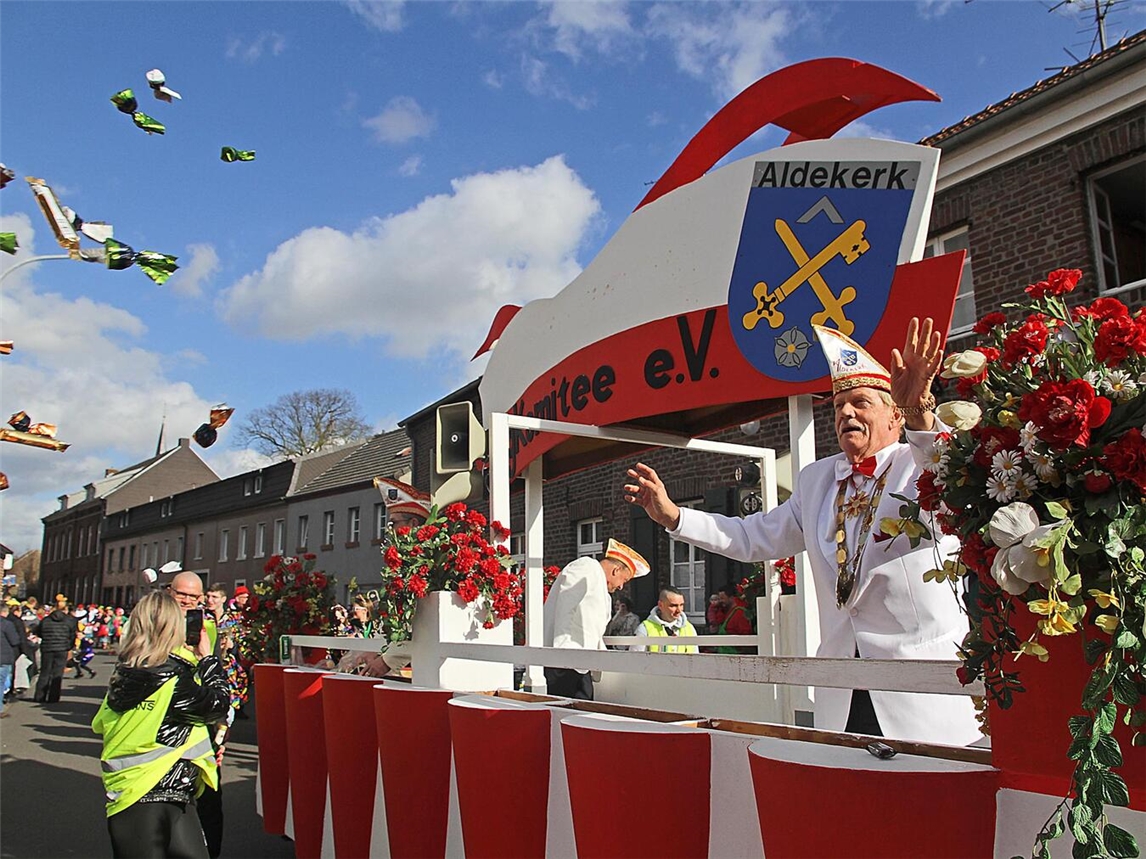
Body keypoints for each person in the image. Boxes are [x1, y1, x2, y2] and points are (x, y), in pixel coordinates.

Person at [625, 317, 980, 745]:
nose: (846, 412)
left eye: (861, 402)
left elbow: (955, 496)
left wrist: (920, 416)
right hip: (843, 693)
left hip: (924, 698)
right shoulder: (815, 481)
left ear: (894, 415)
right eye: (837, 405)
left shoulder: (916, 464)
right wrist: (675, 517)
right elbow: (751, 536)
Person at [92, 591, 230, 859]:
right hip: (159, 791)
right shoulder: (173, 679)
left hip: (138, 793)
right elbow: (219, 705)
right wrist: (208, 659)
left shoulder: (124, 672)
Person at [542, 539, 650, 699]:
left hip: (578, 663)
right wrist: (563, 649)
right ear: (616, 570)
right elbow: (566, 603)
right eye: (624, 580)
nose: (621, 587)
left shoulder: (600, 585)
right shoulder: (587, 567)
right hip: (565, 661)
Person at [34, 595, 79, 703]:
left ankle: (40, 696)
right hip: (62, 648)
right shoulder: (69, 621)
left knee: (45, 672)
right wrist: (69, 646)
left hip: (47, 648)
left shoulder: (45, 620)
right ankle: (53, 697)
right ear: (65, 609)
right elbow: (72, 635)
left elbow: (39, 633)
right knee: (57, 673)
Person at [631, 587, 698, 653]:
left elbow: (696, 659)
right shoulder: (645, 629)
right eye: (673, 605)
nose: (679, 610)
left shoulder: (689, 628)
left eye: (681, 605)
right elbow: (635, 659)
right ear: (660, 605)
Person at [712, 585, 754, 655]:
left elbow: (746, 637)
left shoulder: (740, 613)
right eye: (719, 599)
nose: (720, 601)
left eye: (722, 598)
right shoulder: (726, 612)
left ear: (732, 598)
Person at [0, 603, 22, 718]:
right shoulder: (7, 624)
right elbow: (14, 641)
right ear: (4, 612)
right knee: (1, 682)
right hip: (3, 658)